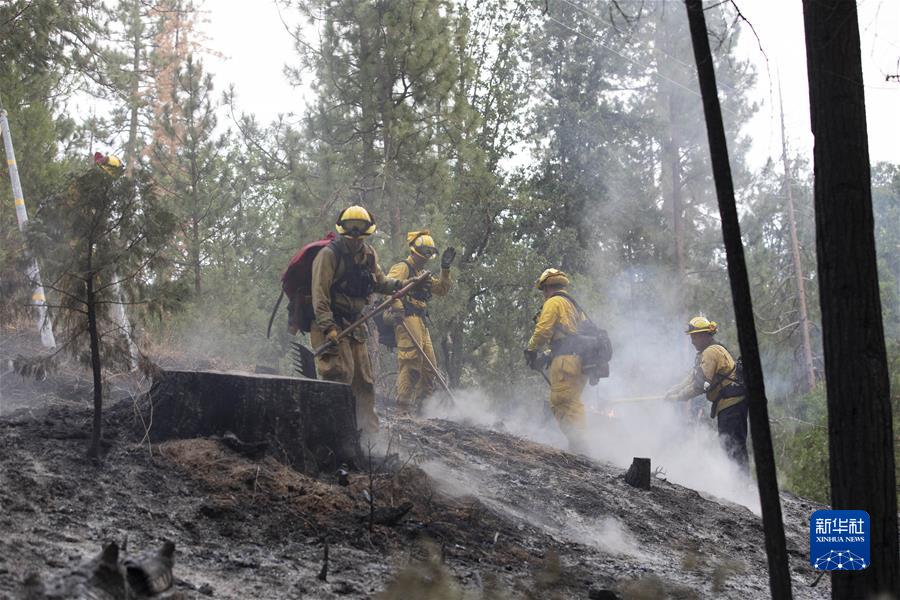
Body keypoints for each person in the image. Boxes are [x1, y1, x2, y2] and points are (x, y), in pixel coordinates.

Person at [310, 205, 412, 433]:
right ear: (343, 230)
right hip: (330, 325)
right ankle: (333, 432)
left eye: (360, 231)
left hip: (355, 325)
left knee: (364, 381)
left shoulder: (369, 255)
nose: (356, 236)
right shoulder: (328, 255)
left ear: (367, 232)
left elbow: (380, 283)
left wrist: (403, 284)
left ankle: (368, 435)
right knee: (340, 376)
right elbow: (319, 295)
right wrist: (329, 327)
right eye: (351, 230)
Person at [384, 231, 455, 414]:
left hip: (421, 321)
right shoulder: (403, 267)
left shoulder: (422, 273)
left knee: (429, 367)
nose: (425, 259)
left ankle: (423, 410)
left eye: (428, 256)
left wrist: (445, 269)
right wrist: (398, 308)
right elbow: (388, 288)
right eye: (424, 255)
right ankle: (402, 408)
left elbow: (441, 289)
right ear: (414, 251)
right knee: (411, 362)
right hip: (406, 318)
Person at [666, 316, 748, 470]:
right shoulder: (710, 351)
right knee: (733, 447)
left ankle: (741, 480)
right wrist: (674, 390)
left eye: (694, 337)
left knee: (733, 448)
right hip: (731, 405)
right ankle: (739, 479)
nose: (692, 341)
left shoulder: (710, 352)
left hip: (731, 406)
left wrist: (679, 397)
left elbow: (700, 385)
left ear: (704, 335)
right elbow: (693, 376)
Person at [524, 268, 588, 453]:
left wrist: (531, 349)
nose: (543, 294)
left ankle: (582, 450)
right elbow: (571, 338)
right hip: (577, 362)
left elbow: (543, 330)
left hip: (565, 364)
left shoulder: (554, 302)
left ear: (547, 287)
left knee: (565, 404)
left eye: (543, 290)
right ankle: (578, 448)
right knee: (567, 403)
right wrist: (548, 355)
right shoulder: (573, 305)